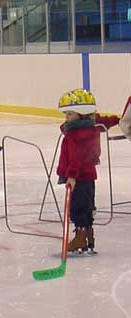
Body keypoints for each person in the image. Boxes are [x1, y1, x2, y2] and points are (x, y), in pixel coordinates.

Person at [57, 88, 120, 253]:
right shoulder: (94, 126)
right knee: (87, 206)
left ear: (81, 113)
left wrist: (71, 176)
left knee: (77, 207)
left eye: (69, 114)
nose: (66, 118)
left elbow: (74, 158)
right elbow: (106, 120)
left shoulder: (74, 135)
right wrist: (119, 120)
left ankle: (80, 239)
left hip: (77, 177)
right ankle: (88, 237)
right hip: (89, 176)